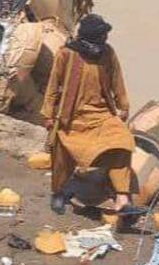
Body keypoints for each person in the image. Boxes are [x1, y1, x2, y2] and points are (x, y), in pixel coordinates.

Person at [42, 14, 138, 215]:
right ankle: (58, 193)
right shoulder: (66, 54)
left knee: (122, 143)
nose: (105, 40)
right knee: (62, 156)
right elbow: (53, 85)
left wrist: (124, 106)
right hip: (72, 118)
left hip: (102, 115)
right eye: (102, 36)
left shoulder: (107, 53)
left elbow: (116, 80)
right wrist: (49, 114)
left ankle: (122, 198)